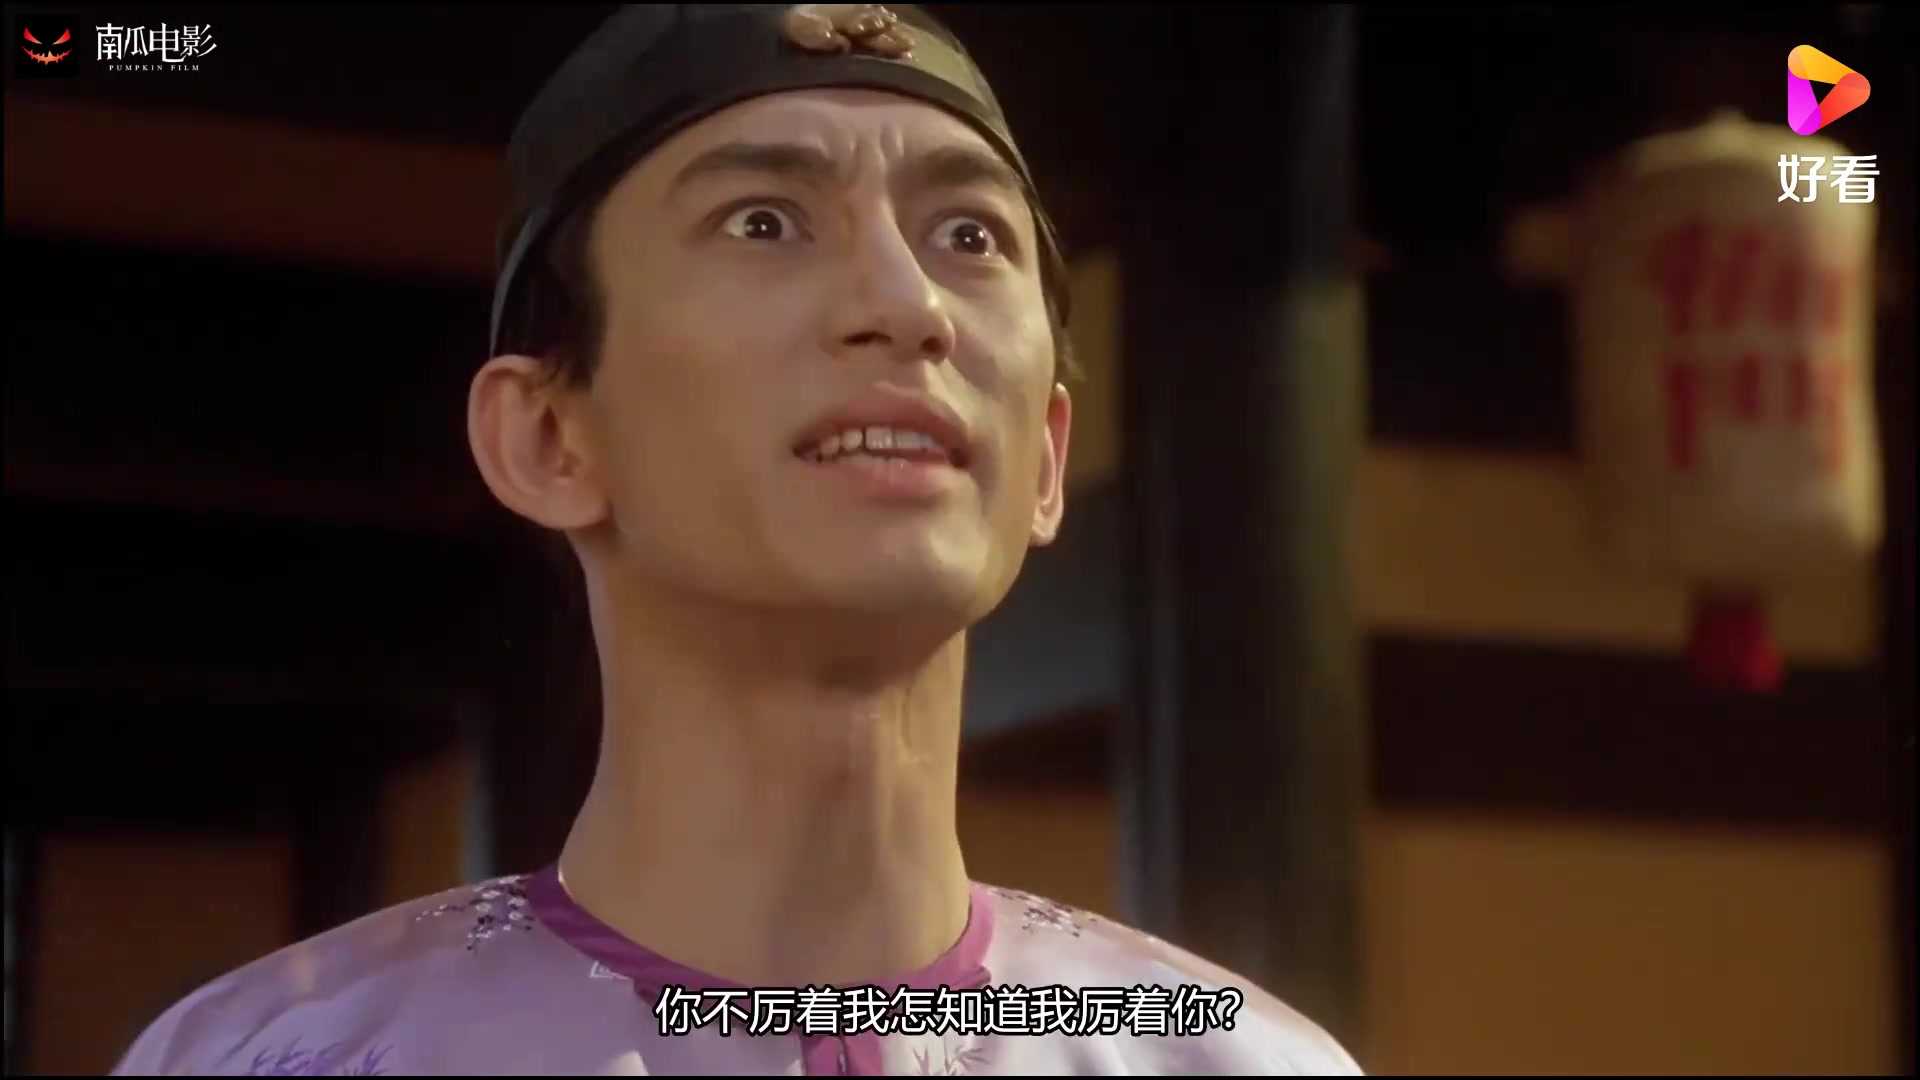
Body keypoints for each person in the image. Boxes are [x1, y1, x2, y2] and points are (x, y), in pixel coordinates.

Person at [113, 5, 1362, 1075]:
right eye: (764, 221)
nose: (907, 305)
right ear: (548, 436)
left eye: (968, 236)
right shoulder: (292, 1057)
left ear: (1043, 458)